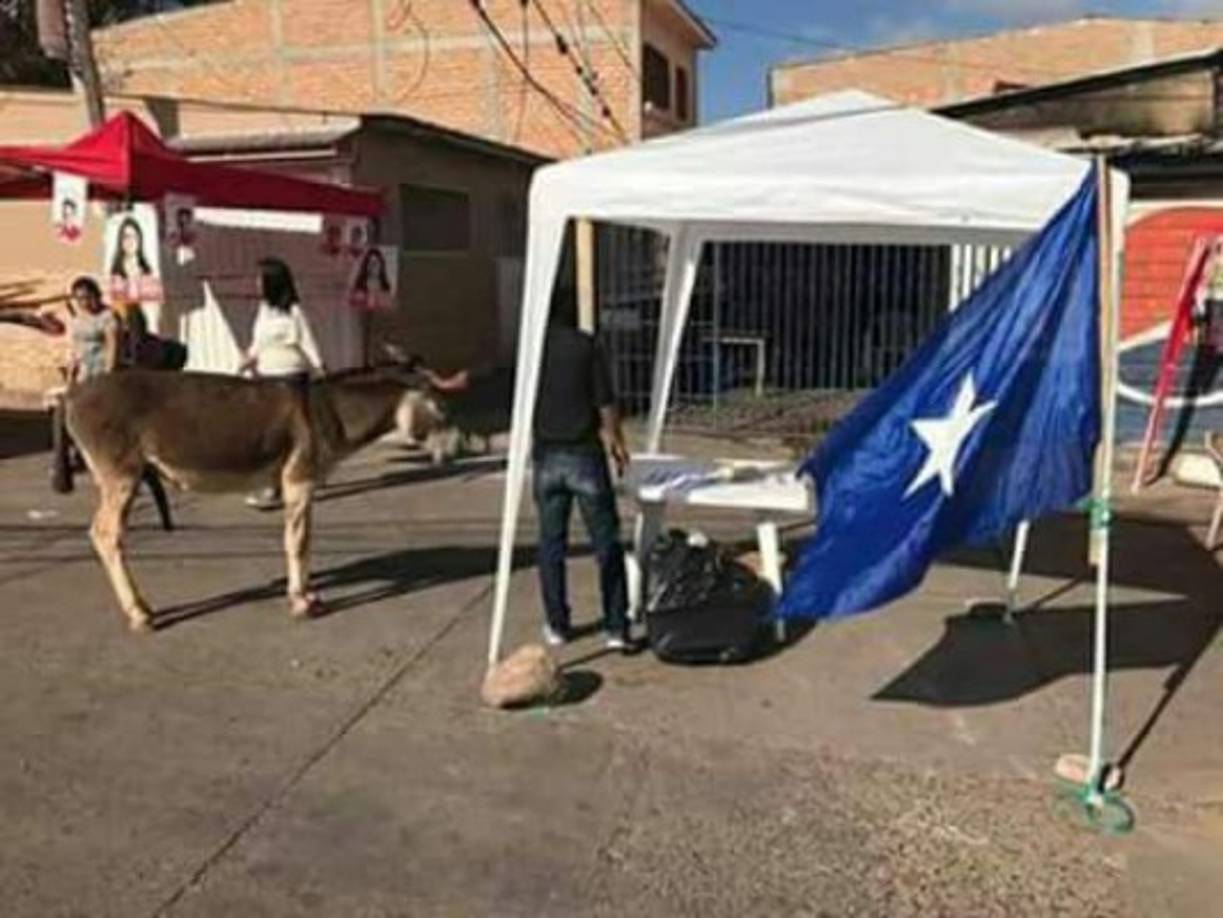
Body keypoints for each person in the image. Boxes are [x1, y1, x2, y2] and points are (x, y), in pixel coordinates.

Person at [532, 294, 635, 653]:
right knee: (606, 544)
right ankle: (616, 627)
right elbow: (604, 402)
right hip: (584, 454)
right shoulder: (586, 347)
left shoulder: (531, 348)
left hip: (545, 456)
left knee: (550, 546)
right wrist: (617, 442)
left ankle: (558, 625)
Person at [64, 276, 173, 531]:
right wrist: (70, 377)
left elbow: (113, 348)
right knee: (67, 421)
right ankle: (72, 464)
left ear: (95, 295)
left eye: (87, 297)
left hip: (102, 377)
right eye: (78, 299)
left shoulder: (108, 318)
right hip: (83, 377)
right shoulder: (77, 320)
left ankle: (145, 499)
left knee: (128, 455)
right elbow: (74, 351)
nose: (84, 303)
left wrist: (107, 379)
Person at [239, 257, 325, 510]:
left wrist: (320, 368)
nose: (257, 283)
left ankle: (274, 487)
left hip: (291, 378)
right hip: (266, 377)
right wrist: (247, 359)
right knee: (267, 435)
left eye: (261, 279)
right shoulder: (264, 310)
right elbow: (258, 342)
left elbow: (308, 342)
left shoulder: (295, 312)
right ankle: (275, 481)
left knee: (285, 436)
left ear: (273, 282)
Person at [108, 215, 163, 306]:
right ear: (120, 241)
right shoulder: (114, 275)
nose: (131, 241)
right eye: (126, 236)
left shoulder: (149, 273)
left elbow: (155, 307)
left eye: (134, 236)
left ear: (139, 240)